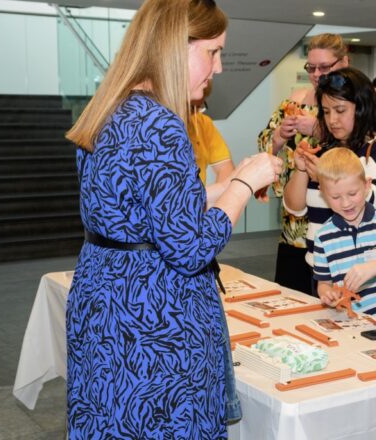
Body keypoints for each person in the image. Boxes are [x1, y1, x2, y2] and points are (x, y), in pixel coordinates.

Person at [64, 0, 282, 436]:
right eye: (212, 52)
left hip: (106, 303)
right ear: (173, 47)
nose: (218, 68)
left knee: (113, 420)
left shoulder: (112, 108)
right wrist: (243, 184)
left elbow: (147, 208)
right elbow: (190, 247)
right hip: (154, 323)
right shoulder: (160, 124)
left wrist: (223, 185)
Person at [258, 33, 376, 295]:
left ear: (345, 62)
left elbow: (369, 141)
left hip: (345, 225)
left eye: (324, 67)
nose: (317, 74)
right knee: (293, 302)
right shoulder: (293, 101)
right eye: (311, 67)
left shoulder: (371, 100)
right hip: (296, 228)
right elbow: (264, 146)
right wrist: (279, 137)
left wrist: (318, 128)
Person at [284, 67, 376, 294]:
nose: (332, 120)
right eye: (326, 111)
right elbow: (295, 208)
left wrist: (330, 181)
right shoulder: (324, 150)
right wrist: (302, 170)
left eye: (340, 110)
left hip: (368, 276)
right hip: (322, 275)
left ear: (361, 108)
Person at [313, 147, 376, 324]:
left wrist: (375, 267)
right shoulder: (323, 237)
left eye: (352, 194)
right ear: (323, 193)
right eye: (335, 197)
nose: (346, 203)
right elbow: (323, 283)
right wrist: (326, 294)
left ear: (367, 186)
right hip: (350, 324)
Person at [189, 80, 234, 184]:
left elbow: (224, 167)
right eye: (191, 107)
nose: (195, 114)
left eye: (199, 107)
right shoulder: (157, 129)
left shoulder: (203, 123)